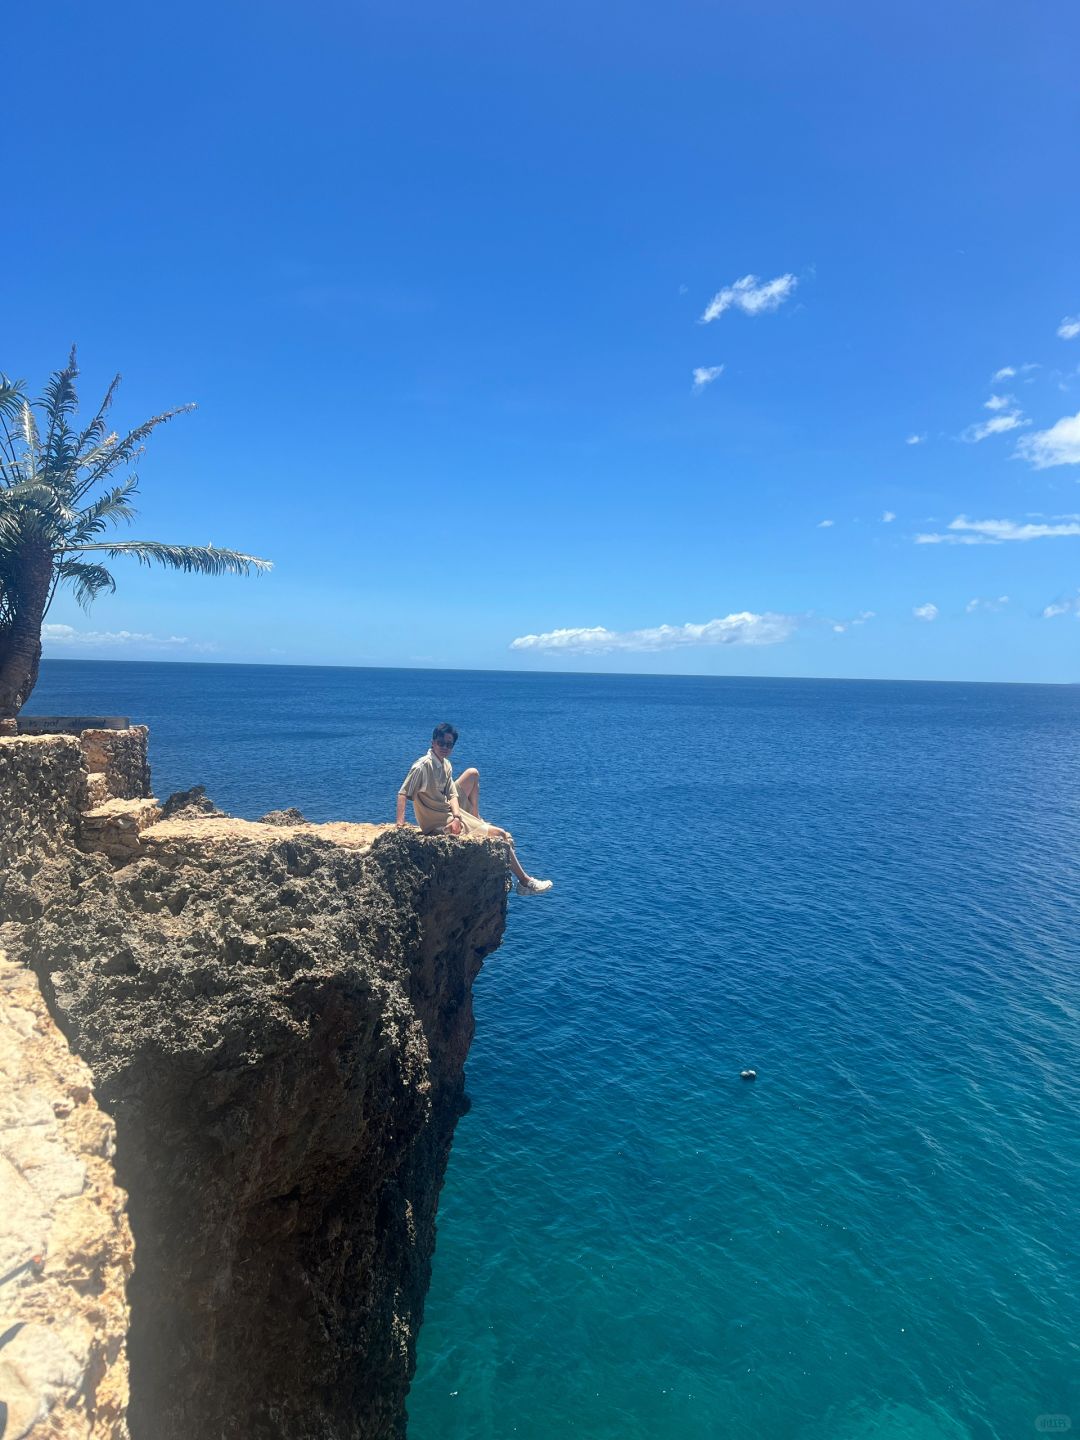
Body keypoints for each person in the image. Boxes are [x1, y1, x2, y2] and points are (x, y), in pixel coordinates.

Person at [396, 723, 553, 896]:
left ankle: (475, 819)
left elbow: (452, 795)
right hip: (437, 820)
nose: (445, 747)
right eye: (441, 743)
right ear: (432, 742)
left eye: (449, 744)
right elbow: (403, 793)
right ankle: (525, 882)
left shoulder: (445, 765)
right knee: (500, 835)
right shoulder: (422, 766)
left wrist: (457, 816)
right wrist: (400, 825)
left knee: (472, 773)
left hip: (448, 813)